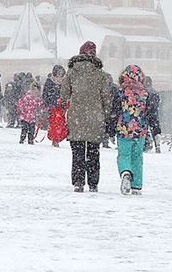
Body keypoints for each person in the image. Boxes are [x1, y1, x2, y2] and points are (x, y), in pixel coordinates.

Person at [63, 41, 112, 193]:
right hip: (95, 117)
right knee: (93, 152)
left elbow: (63, 94)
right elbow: (106, 98)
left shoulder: (71, 72)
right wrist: (107, 115)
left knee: (77, 152)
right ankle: (93, 183)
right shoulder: (100, 74)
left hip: (76, 116)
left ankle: (78, 181)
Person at [114, 64, 149, 195]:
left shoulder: (121, 92)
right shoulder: (145, 93)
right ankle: (137, 185)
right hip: (140, 130)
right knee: (137, 157)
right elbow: (150, 113)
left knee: (124, 155)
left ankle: (125, 172)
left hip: (124, 128)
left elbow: (115, 111)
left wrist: (111, 128)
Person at [42, 65, 67, 147]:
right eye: (58, 73)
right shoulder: (49, 81)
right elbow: (45, 93)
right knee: (53, 122)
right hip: (52, 104)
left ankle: (57, 137)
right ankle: (54, 138)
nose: (60, 75)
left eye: (61, 73)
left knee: (60, 122)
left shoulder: (64, 82)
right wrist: (46, 103)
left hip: (61, 105)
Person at [144, 75, 162, 153]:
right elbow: (157, 104)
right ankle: (157, 145)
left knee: (145, 129)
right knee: (155, 130)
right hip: (154, 114)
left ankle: (146, 144)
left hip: (145, 114)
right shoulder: (155, 92)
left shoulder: (143, 92)